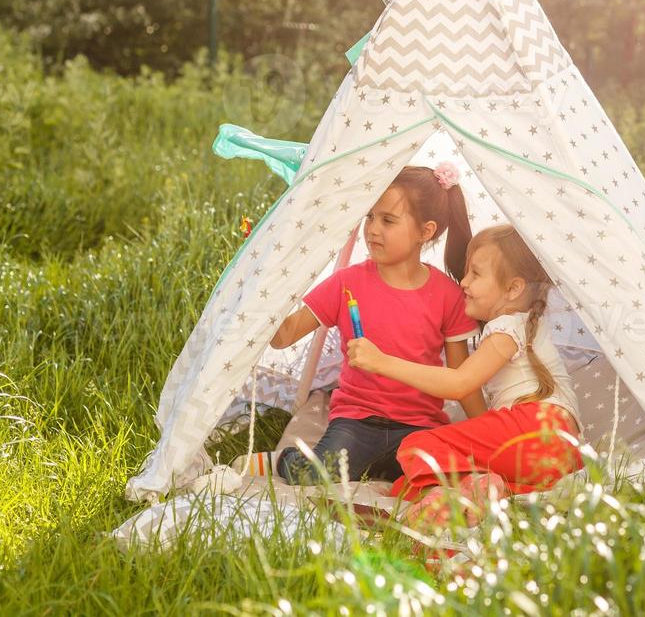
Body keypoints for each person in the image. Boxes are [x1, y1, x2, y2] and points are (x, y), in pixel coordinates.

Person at [250, 161, 484, 485]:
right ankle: (285, 460)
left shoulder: (448, 294)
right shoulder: (346, 282)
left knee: (446, 480)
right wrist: (265, 292)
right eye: (370, 216)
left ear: (425, 231)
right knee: (314, 476)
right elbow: (285, 335)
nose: (372, 229)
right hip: (356, 421)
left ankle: (376, 467)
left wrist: (489, 433)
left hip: (420, 425)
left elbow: (462, 380)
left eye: (388, 220)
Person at [346, 224, 584, 530]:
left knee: (416, 446)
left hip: (536, 427)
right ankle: (482, 494)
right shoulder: (529, 326)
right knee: (406, 485)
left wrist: (382, 362)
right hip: (563, 453)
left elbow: (459, 383)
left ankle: (469, 490)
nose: (463, 282)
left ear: (513, 289)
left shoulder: (506, 327)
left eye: (475, 274)